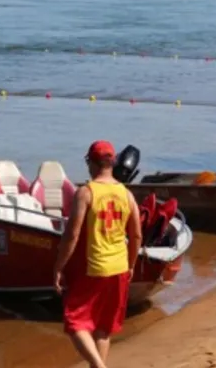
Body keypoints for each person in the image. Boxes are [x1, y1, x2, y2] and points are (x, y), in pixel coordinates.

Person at [53, 140, 142, 368]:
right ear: (112, 163)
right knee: (103, 328)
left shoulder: (86, 193)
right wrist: (131, 264)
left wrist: (59, 267)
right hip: (120, 268)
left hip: (95, 268)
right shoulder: (126, 194)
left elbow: (72, 235)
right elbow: (137, 236)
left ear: (91, 163)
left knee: (75, 322)